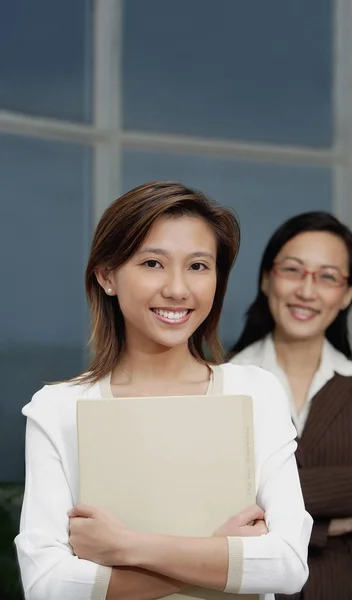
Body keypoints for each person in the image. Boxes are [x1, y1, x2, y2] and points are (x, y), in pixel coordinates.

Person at [15, 182, 312, 600]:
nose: (178, 289)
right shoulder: (59, 408)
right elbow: (47, 584)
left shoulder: (255, 393)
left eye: (198, 266)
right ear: (107, 276)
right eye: (153, 263)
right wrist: (219, 555)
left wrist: (126, 548)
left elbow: (287, 565)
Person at [230, 211, 352, 600]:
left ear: (348, 294)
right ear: (267, 279)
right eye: (293, 270)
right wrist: (339, 512)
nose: (307, 290)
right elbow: (210, 503)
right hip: (253, 589)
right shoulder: (221, 381)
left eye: (327, 276)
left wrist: (266, 500)